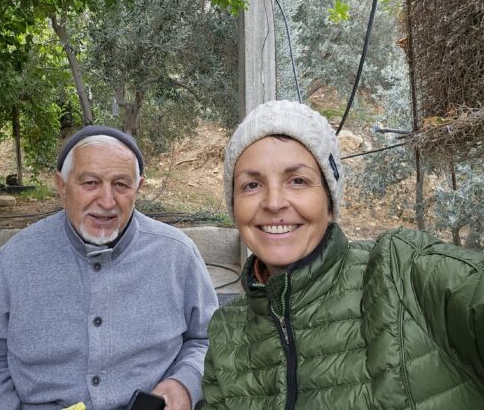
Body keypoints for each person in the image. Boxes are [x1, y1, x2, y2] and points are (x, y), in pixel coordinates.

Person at [202, 100, 484, 409]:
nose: (273, 202)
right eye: (252, 185)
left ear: (330, 201)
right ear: (234, 207)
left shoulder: (401, 271)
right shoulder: (226, 332)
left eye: (298, 181)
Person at [0, 126, 219, 410]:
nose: (106, 201)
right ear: (61, 185)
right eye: (90, 183)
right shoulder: (13, 261)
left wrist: (185, 383)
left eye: (121, 184)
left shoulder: (177, 254)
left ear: (138, 187)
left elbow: (210, 340)